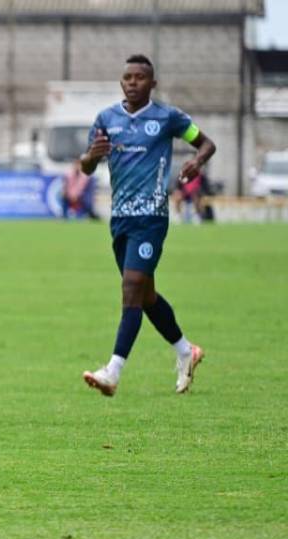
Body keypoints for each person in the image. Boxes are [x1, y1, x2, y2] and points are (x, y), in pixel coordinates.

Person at [79, 55, 216, 396]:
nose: (133, 83)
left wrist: (197, 161)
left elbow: (206, 143)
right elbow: (85, 168)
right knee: (146, 295)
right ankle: (186, 351)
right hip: (120, 219)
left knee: (131, 287)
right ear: (121, 81)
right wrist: (93, 157)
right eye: (127, 77)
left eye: (140, 78)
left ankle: (112, 371)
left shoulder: (167, 118)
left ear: (152, 84)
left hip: (152, 217)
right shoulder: (106, 119)